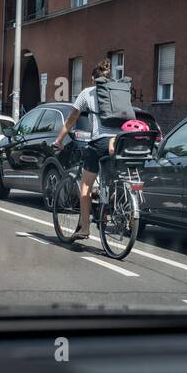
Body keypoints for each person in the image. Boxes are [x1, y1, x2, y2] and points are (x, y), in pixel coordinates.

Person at [53, 59, 118, 241]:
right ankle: (111, 211)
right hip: (120, 142)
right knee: (110, 180)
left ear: (92, 79)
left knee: (86, 187)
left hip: (100, 142)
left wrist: (59, 140)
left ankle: (85, 229)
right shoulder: (117, 92)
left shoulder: (87, 93)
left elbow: (71, 119)